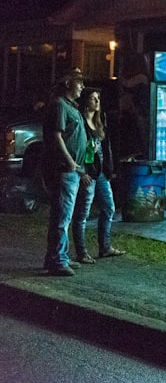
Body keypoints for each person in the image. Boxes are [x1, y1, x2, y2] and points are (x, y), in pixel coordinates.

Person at [41, 68, 88, 276]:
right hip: (64, 170)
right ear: (68, 83)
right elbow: (56, 135)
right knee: (63, 216)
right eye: (79, 82)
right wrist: (70, 161)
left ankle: (57, 256)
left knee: (62, 215)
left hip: (72, 170)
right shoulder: (60, 105)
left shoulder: (70, 106)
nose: (83, 87)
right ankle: (58, 261)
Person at [71, 87, 126, 263]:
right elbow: (77, 148)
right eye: (93, 98)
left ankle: (105, 246)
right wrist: (82, 172)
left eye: (98, 98)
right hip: (88, 172)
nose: (97, 102)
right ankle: (81, 252)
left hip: (101, 171)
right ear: (85, 101)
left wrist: (110, 169)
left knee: (109, 207)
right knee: (82, 213)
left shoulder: (100, 120)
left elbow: (106, 147)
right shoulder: (81, 122)